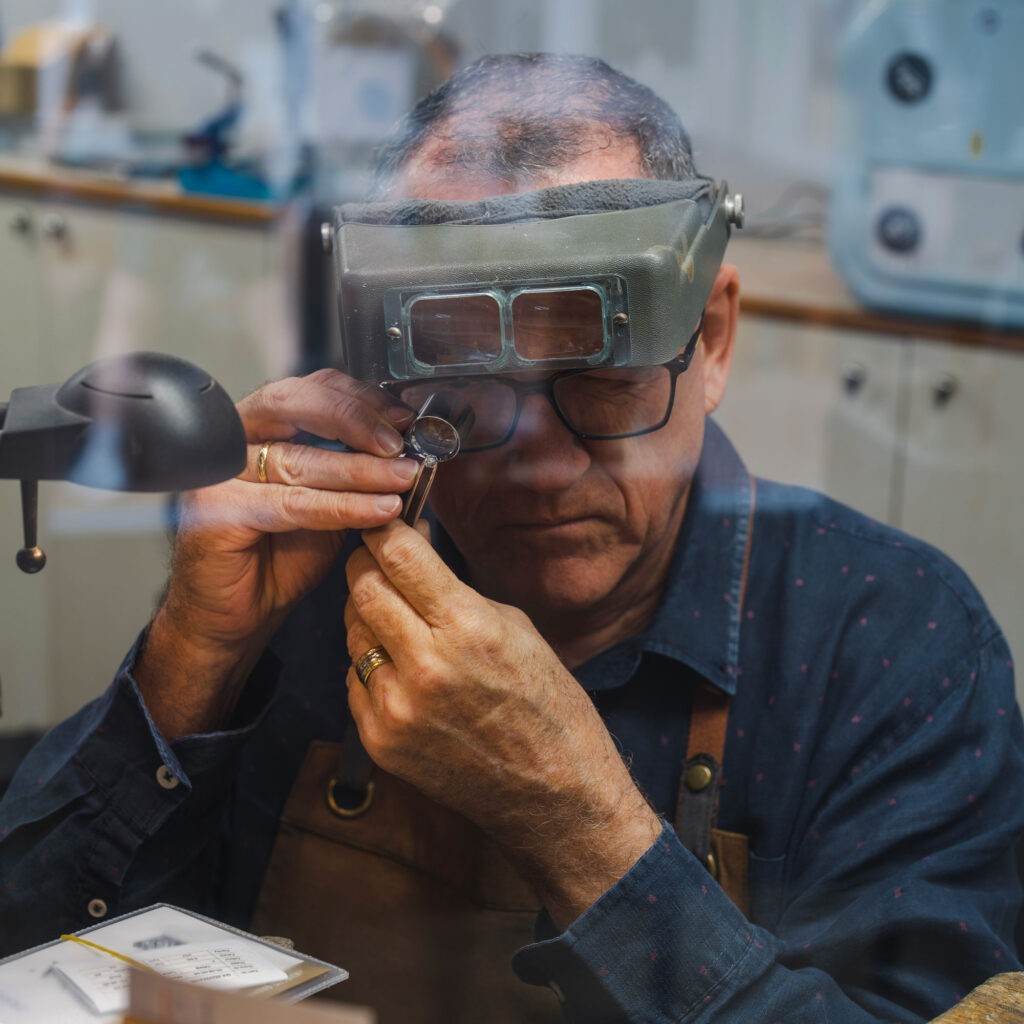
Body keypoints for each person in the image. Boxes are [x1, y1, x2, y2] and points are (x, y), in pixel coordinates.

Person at [1, 53, 1022, 1024]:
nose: (539, 459)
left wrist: (579, 825)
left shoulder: (890, 644)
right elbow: (36, 950)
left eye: (598, 381)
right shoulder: (307, 576)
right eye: (467, 394)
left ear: (709, 341)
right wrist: (192, 660)